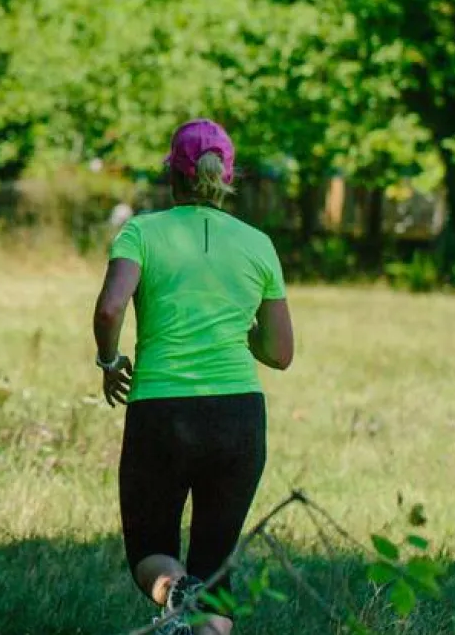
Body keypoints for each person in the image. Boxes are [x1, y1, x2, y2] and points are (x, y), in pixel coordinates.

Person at [89, 119, 295, 635]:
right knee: (215, 566)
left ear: (173, 175)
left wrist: (109, 362)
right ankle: (199, 602)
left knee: (150, 554)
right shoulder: (258, 244)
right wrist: (239, 330)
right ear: (227, 177)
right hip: (239, 417)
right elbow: (280, 351)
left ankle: (181, 596)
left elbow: (111, 309)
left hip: (162, 411)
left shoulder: (141, 232)